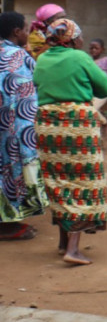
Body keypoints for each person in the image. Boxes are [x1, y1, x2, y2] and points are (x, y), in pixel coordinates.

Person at [33, 18, 107, 265]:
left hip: (47, 125)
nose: (82, 41)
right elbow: (105, 87)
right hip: (77, 125)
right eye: (79, 36)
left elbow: (37, 85)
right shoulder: (79, 58)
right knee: (83, 181)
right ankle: (73, 250)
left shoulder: (42, 59)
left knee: (58, 179)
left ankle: (62, 242)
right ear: (71, 38)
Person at [0, 12, 48, 242]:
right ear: (16, 32)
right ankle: (6, 225)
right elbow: (31, 95)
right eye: (26, 28)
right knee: (12, 172)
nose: (29, 33)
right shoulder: (20, 56)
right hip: (14, 129)